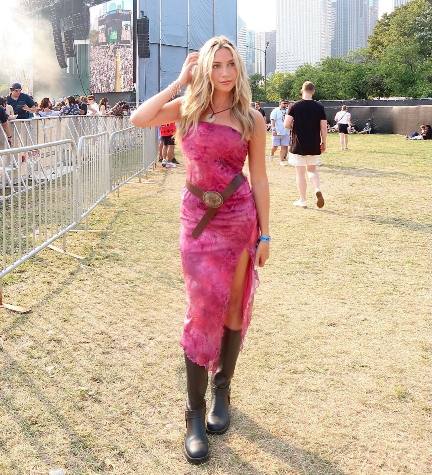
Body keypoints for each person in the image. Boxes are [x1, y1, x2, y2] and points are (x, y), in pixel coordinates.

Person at [131, 36, 270, 465]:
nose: (225, 73)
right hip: (197, 221)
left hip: (239, 220)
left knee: (230, 311)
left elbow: (261, 179)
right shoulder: (188, 110)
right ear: (205, 68)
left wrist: (265, 234)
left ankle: (221, 390)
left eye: (231, 64)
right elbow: (140, 118)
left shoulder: (251, 118)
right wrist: (178, 82)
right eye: (217, 65)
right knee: (200, 310)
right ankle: (192, 415)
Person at [284, 81, 327, 209]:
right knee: (312, 170)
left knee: (300, 173)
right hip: (314, 144)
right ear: (313, 91)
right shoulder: (319, 107)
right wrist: (324, 142)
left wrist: (295, 125)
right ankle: (317, 189)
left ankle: (302, 200)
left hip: (298, 144)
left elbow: (286, 124)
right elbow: (323, 127)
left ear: (302, 90)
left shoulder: (294, 106)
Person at [269, 99, 290, 164]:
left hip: (286, 132)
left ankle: (281, 161)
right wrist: (273, 129)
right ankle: (271, 155)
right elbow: (273, 120)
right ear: (280, 103)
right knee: (275, 147)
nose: (285, 104)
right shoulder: (275, 110)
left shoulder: (288, 111)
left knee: (284, 146)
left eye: (286, 103)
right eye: (283, 103)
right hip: (277, 132)